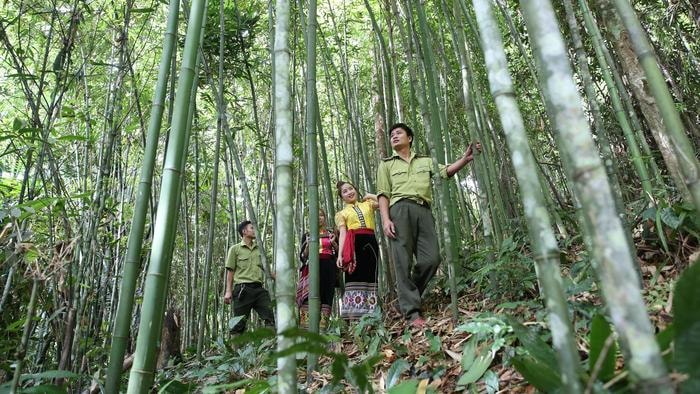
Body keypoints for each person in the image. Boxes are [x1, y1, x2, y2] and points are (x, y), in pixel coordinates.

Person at [377, 122, 480, 328]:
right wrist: (386, 219)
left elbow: (445, 171)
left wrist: (465, 159)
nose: (394, 137)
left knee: (432, 258)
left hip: (423, 210)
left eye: (399, 133)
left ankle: (406, 297)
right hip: (399, 210)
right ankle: (412, 313)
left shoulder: (425, 161)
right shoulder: (386, 165)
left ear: (410, 138)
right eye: (391, 135)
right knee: (402, 261)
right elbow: (383, 194)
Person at [335, 181, 380, 320]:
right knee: (355, 276)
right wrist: (340, 255)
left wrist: (370, 195)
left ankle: (372, 314)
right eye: (345, 191)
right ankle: (354, 318)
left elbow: (386, 202)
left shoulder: (368, 204)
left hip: (371, 242)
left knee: (371, 275)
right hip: (354, 245)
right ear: (342, 197)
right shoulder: (341, 213)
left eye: (351, 189)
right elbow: (342, 233)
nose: (349, 192)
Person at [224, 220, 275, 335]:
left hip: (258, 289)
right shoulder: (235, 249)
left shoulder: (259, 249)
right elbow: (230, 271)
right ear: (244, 231)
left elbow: (265, 269)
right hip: (242, 290)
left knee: (271, 317)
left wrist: (278, 278)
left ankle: (268, 349)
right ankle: (235, 352)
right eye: (252, 228)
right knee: (238, 324)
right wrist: (228, 291)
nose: (255, 231)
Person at [296, 209, 338, 330]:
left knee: (327, 295)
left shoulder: (331, 233)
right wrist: (308, 244)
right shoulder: (307, 234)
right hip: (313, 267)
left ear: (324, 217)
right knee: (311, 295)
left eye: (321, 215)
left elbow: (338, 251)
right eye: (316, 215)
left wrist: (333, 242)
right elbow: (304, 256)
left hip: (328, 266)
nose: (319, 218)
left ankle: (323, 328)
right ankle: (307, 329)